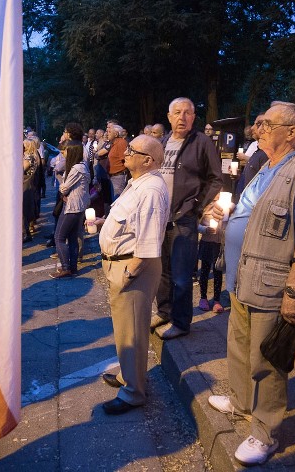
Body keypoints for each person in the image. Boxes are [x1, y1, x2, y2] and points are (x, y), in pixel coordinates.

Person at [205, 102, 295, 466]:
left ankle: (265, 432)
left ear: (292, 132)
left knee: (267, 361)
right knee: (239, 346)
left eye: (267, 124)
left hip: (272, 284)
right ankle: (241, 402)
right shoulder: (267, 166)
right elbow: (252, 212)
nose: (259, 129)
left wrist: (294, 291)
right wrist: (223, 214)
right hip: (243, 277)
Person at [88, 135, 169, 415]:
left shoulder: (151, 190)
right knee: (125, 328)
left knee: (133, 330)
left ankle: (134, 392)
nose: (125, 154)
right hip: (121, 265)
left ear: (148, 160)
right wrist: (103, 222)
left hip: (132, 269)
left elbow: (147, 243)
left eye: (132, 151)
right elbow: (129, 221)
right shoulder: (139, 183)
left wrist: (127, 274)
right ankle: (127, 375)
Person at [153, 98, 222, 340]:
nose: (182, 117)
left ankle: (181, 322)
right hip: (160, 217)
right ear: (169, 117)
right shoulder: (162, 142)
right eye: (177, 113)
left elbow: (216, 178)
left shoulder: (201, 142)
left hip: (184, 218)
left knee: (182, 275)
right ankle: (164, 311)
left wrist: (197, 206)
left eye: (188, 113)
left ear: (194, 117)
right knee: (162, 270)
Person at [51, 143, 90, 279]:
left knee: (59, 237)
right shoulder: (83, 166)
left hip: (72, 206)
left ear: (72, 152)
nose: (63, 153)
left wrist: (61, 183)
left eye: (65, 151)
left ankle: (65, 268)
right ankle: (73, 268)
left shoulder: (76, 169)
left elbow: (64, 188)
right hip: (79, 206)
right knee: (72, 238)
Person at [22, 139, 40, 243]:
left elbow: (21, 169)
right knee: (27, 208)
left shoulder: (28, 157)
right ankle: (27, 231)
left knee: (24, 209)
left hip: (26, 183)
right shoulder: (33, 156)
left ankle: (25, 233)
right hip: (29, 184)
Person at [107, 125, 129, 198]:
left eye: (109, 132)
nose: (107, 134)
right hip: (114, 177)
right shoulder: (113, 144)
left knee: (117, 200)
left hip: (119, 177)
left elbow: (125, 160)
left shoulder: (121, 143)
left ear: (116, 134)